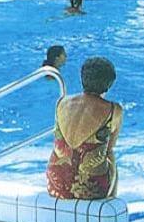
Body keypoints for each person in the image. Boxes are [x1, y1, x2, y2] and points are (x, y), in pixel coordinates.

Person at [47, 56, 121, 200]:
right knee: (110, 157)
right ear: (109, 84)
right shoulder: (113, 110)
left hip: (55, 185)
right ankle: (110, 203)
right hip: (92, 189)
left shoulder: (61, 103)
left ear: (82, 79)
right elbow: (109, 149)